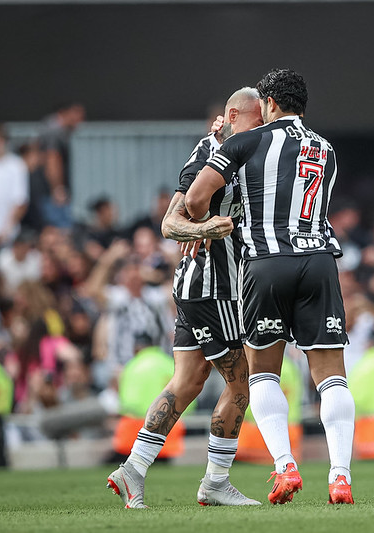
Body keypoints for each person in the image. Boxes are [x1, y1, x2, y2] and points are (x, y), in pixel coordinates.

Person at [186, 69, 355, 505]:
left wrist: (208, 223)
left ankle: (285, 467)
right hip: (318, 260)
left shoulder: (246, 142)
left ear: (269, 104)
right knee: (330, 376)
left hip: (266, 262)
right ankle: (340, 476)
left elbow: (194, 198)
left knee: (263, 372)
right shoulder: (326, 149)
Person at [106, 87, 264, 509]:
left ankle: (132, 470)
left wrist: (198, 230)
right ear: (233, 116)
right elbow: (170, 223)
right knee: (241, 383)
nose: (263, 128)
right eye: (257, 119)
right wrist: (205, 229)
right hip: (217, 289)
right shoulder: (213, 156)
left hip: (195, 286)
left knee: (187, 381)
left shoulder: (228, 148)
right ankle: (216, 481)